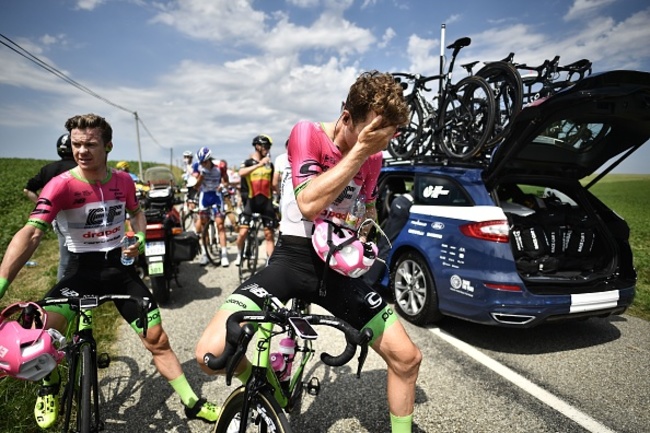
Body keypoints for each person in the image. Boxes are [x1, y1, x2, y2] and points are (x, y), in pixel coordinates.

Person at [195, 71, 422, 432]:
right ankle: (266, 380)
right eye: (370, 137)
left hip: (336, 268)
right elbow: (308, 204)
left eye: (382, 142)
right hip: (292, 260)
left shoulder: (374, 158)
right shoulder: (308, 133)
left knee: (407, 357)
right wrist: (360, 150)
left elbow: (369, 208)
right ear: (347, 117)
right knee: (209, 353)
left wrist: (364, 228)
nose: (375, 149)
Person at [0, 114, 219, 428]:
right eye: (76, 144)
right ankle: (48, 385)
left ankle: (192, 402)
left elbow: (137, 214)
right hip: (79, 272)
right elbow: (31, 233)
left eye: (90, 144)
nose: (82, 151)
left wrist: (140, 238)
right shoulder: (60, 185)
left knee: (157, 340)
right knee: (39, 335)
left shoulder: (124, 181)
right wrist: (2, 284)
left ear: (108, 146)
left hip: (119, 271)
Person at [23, 133, 78, 281]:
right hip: (85, 217)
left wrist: (45, 206)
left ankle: (62, 293)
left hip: (59, 218)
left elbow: (27, 189)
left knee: (65, 259)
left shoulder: (48, 169)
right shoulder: (82, 168)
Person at [234, 134, 278, 265]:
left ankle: (270, 264)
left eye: (269, 147)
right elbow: (241, 173)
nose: (268, 149)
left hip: (266, 203)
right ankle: (239, 252)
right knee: (242, 233)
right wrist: (259, 165)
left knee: (269, 235)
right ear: (257, 146)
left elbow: (273, 184)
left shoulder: (270, 164)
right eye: (265, 146)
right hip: (251, 202)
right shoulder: (248, 162)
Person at [193, 147, 230, 267]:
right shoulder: (197, 167)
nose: (203, 164)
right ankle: (205, 254)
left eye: (205, 162)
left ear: (209, 160)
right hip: (204, 197)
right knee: (204, 227)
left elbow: (226, 181)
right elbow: (195, 187)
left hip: (216, 196)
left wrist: (222, 186)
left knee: (220, 225)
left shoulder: (220, 166)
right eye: (201, 162)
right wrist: (201, 177)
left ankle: (224, 254)